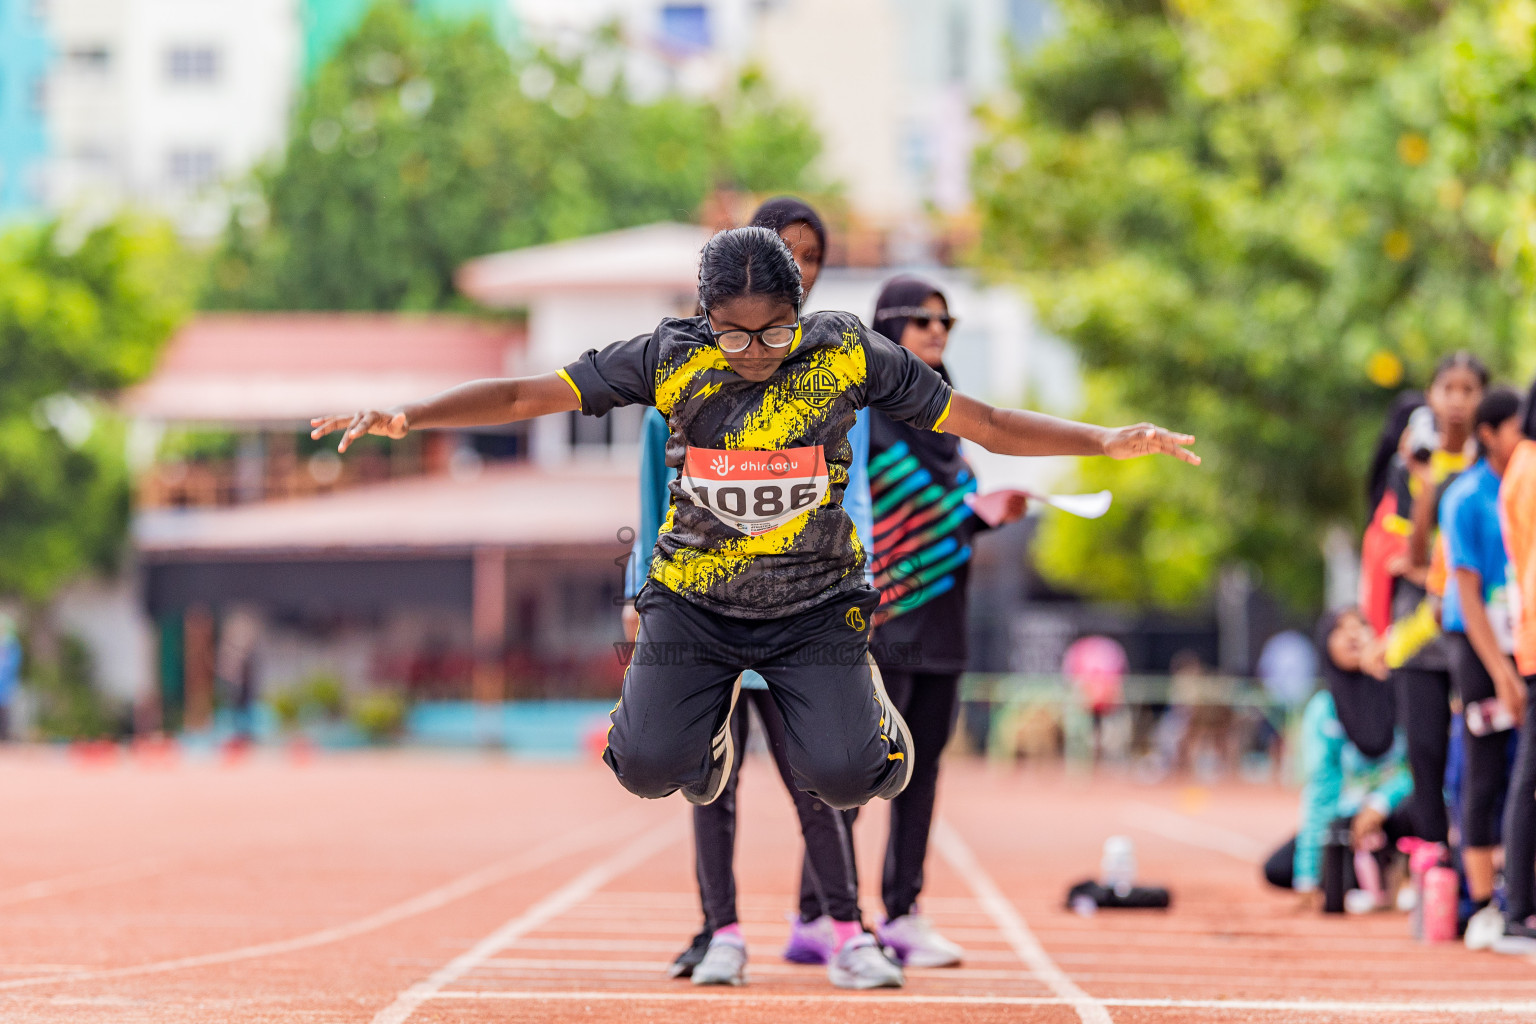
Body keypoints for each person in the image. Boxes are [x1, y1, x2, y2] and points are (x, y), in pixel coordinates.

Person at [311, 225, 1197, 946]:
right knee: (645, 767)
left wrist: (1104, 438)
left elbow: (989, 423)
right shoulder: (668, 356)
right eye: (733, 334)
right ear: (703, 318)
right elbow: (519, 398)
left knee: (850, 779)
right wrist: (412, 415)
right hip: (694, 605)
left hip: (814, 609)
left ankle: (871, 727)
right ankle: (702, 748)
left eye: (774, 332)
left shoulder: (847, 353)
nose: (754, 353)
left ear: (801, 310)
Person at [626, 199, 891, 989]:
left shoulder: (835, 368)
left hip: (807, 602)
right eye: (784, 251)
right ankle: (721, 930)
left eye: (808, 257)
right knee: (711, 773)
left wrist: (862, 581)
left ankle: (845, 926)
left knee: (819, 769)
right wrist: (643, 600)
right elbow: (655, 498)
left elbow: (857, 491)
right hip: (700, 605)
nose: (798, 265)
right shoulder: (684, 371)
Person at [824, 274, 1029, 968]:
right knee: (857, 768)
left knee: (924, 770)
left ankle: (904, 910)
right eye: (922, 320)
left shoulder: (948, 421)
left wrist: (991, 511)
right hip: (882, 623)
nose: (937, 331)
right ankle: (827, 910)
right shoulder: (862, 414)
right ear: (888, 327)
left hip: (944, 621)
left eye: (946, 320)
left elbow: (952, 514)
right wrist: (967, 515)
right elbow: (872, 511)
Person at [1382, 354, 1486, 846]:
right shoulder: (1407, 466)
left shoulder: (1492, 464)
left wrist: (1433, 575)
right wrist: (1425, 488)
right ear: (1431, 395)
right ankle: (1432, 864)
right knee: (1425, 753)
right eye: (1449, 388)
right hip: (1418, 636)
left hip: (1474, 627)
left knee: (1480, 754)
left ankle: (1481, 867)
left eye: (1469, 389)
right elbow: (1409, 557)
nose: (1459, 400)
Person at [1440, 387, 1526, 950]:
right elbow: (1467, 593)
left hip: (1521, 634)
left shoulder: (1521, 484)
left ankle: (1515, 893)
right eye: (1519, 426)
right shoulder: (1466, 496)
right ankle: (1477, 905)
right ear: (1491, 433)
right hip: (1475, 642)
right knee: (1486, 765)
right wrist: (1498, 671)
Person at [1263, 609, 1412, 904]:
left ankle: (1404, 871)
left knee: (1422, 808)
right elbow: (1321, 789)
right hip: (1349, 819)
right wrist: (1306, 875)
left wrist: (1380, 803)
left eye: (1361, 625)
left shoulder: (1404, 691)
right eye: (1340, 629)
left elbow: (1420, 767)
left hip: (1400, 810)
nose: (1353, 634)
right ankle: (1371, 873)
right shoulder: (1324, 709)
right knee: (1279, 869)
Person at [1497, 375, 1536, 952]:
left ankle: (1518, 907)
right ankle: (1519, 909)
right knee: (1527, 777)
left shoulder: (1521, 465)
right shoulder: (1531, 466)